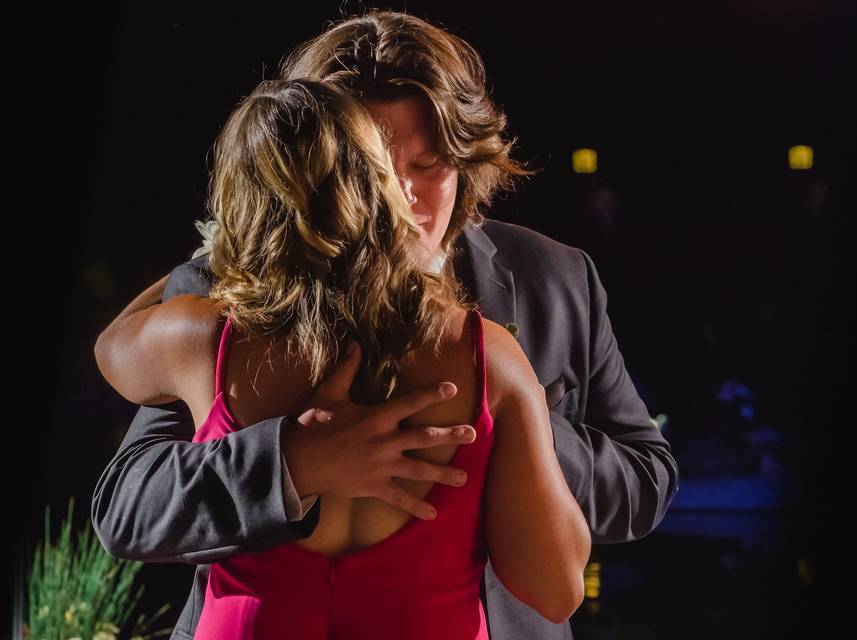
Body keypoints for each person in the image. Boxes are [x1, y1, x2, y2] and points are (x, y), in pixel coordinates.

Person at [91, 11, 679, 640]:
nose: (402, 196)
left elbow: (647, 479)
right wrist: (290, 463)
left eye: (428, 164)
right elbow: (128, 510)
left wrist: (503, 431)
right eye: (373, 170)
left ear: (467, 161)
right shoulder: (223, 290)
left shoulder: (555, 278)